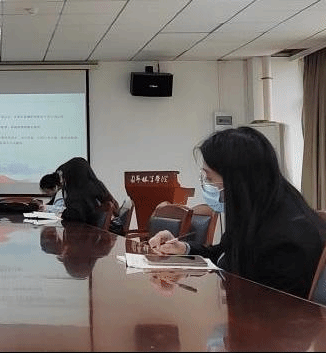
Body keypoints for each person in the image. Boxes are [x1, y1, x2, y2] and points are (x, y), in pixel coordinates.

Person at [148, 127, 326, 298]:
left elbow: (275, 306)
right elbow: (223, 254)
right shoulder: (256, 210)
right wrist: (183, 248)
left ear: (236, 180)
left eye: (209, 178)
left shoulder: (288, 237)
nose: (206, 184)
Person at [55, 157, 117, 228]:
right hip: (93, 229)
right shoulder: (96, 185)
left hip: (85, 230)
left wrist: (63, 214)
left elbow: (77, 214)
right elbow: (115, 206)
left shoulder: (77, 191)